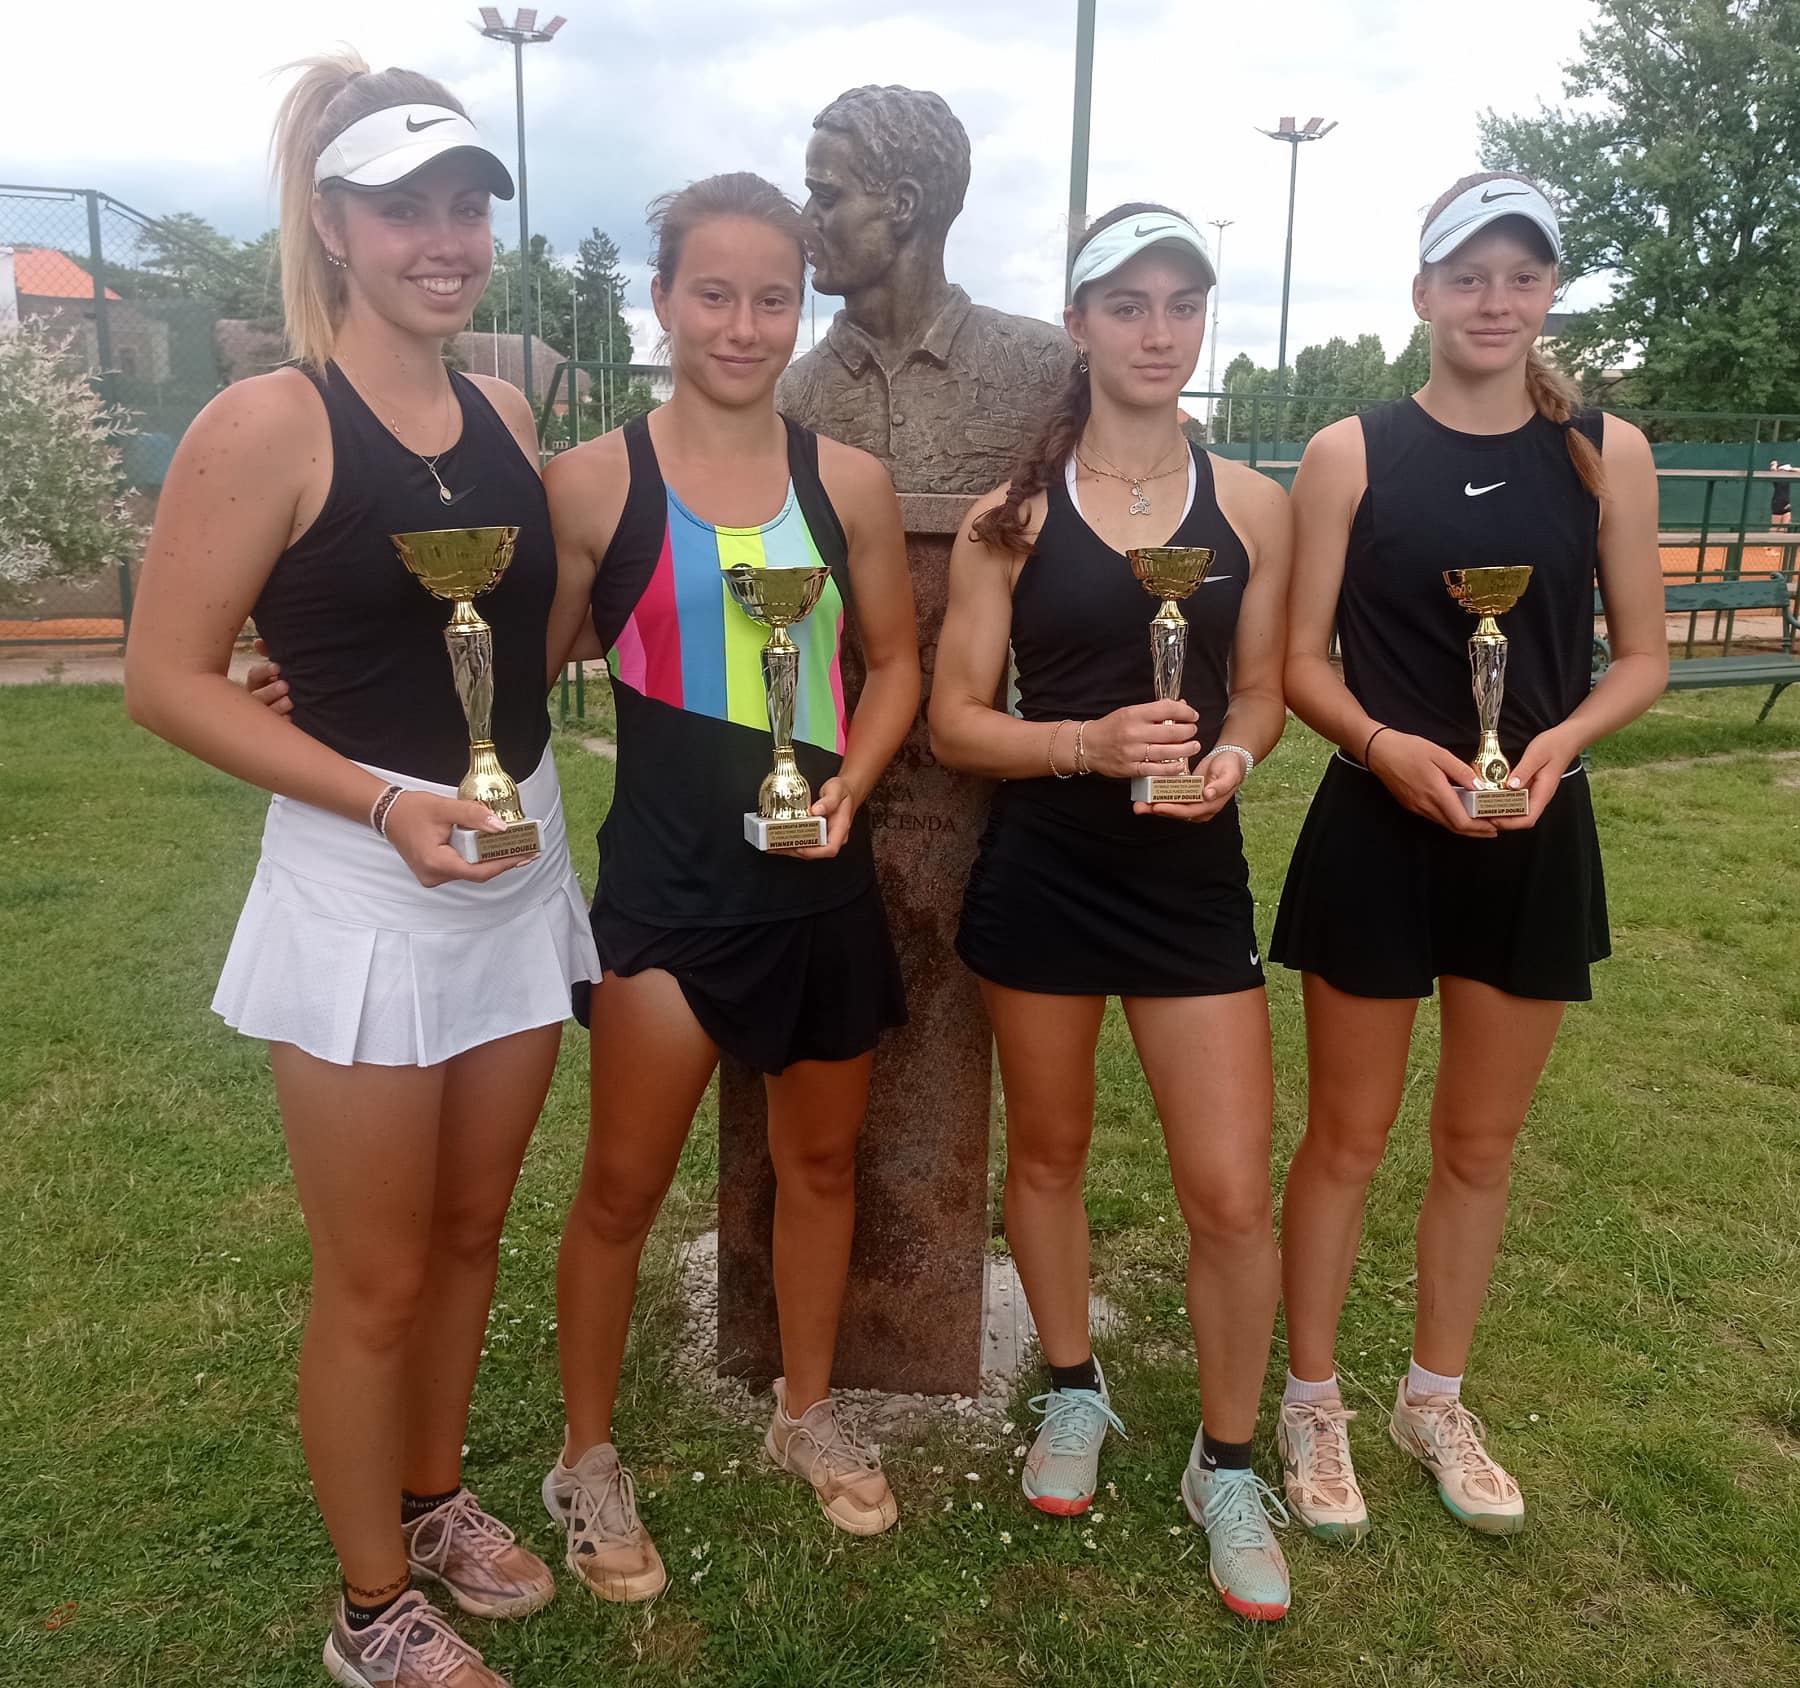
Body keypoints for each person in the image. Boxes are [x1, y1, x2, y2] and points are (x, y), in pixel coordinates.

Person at [126, 52, 599, 1688]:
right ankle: (369, 1608)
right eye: (406, 209)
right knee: (376, 1273)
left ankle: (434, 1497)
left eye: (468, 204)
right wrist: (378, 799)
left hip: (516, 858)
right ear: (333, 225)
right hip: (365, 881)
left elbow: (520, 639)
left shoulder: (510, 413)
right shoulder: (268, 420)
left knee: (471, 1232)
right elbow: (164, 679)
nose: (445, 239)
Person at [534, 173, 920, 1601]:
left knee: (819, 1170)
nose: (745, 325)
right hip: (668, 900)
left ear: (800, 306)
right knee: (621, 1189)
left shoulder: (848, 483)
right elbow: (511, 669)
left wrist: (851, 786)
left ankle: (803, 1411)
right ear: (663, 301)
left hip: (819, 888)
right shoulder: (594, 482)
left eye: (773, 297)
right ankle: (586, 1458)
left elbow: (897, 666)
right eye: (715, 293)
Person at [1269, 172, 1665, 1542]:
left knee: (1480, 1145)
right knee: (1347, 1135)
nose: (1495, 302)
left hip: (1532, 829)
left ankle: (1432, 1399)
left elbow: (1644, 658)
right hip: (1377, 827)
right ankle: (1311, 1400)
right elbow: (1300, 663)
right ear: (1423, 291)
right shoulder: (1350, 452)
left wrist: (1557, 744)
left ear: (1549, 292)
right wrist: (1385, 746)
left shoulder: (1605, 451)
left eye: (1522, 277)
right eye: (1469, 276)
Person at [928, 205, 1296, 1621]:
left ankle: (1228, 1463)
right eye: (1128, 305)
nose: (1158, 332)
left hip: (1191, 883)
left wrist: (1233, 760)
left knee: (1229, 1191)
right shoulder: (1012, 519)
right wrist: (1084, 743)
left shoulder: (1250, 505)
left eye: (1181, 305)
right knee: (1051, 1152)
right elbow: (959, 722)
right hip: (1045, 873)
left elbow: (1259, 689)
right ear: (1077, 324)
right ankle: (1074, 1388)